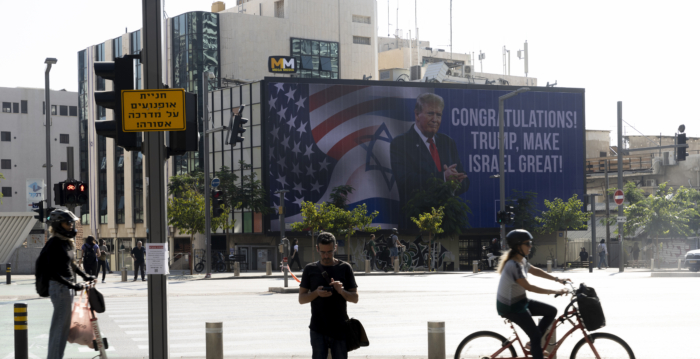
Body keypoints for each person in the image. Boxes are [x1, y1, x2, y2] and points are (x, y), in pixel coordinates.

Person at [390, 93, 470, 223]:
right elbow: (406, 181)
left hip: (447, 221)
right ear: (416, 114)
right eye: (430, 114)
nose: (435, 119)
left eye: (439, 115)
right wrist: (444, 178)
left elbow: (465, 180)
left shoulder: (447, 142)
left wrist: (455, 182)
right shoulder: (401, 143)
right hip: (417, 222)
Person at [496, 229, 569, 359]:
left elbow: (535, 270)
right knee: (535, 335)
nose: (530, 246)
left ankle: (532, 344)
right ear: (518, 246)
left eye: (530, 243)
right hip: (510, 307)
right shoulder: (513, 265)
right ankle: (535, 344)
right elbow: (529, 287)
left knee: (551, 311)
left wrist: (558, 280)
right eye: (528, 243)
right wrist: (555, 291)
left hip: (520, 302)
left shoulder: (521, 260)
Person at [43, 209, 94, 359]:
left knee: (63, 328)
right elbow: (53, 272)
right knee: (60, 328)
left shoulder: (65, 242)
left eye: (71, 222)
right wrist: (73, 285)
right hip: (59, 288)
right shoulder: (54, 243)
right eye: (67, 223)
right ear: (58, 225)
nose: (71, 225)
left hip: (65, 288)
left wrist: (85, 276)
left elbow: (71, 265)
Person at [299, 232, 358, 359]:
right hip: (318, 328)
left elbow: (355, 298)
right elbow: (301, 299)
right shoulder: (310, 269)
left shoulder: (345, 268)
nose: (326, 256)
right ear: (317, 249)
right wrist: (316, 293)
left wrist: (341, 291)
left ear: (335, 247)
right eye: (323, 252)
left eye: (330, 252)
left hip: (340, 328)